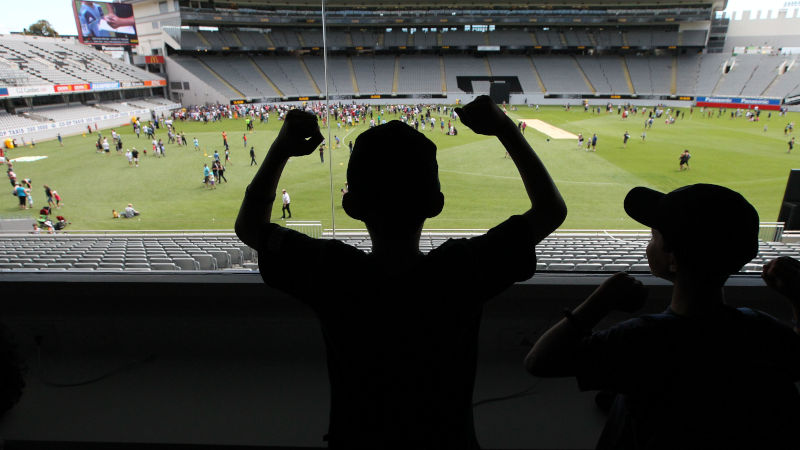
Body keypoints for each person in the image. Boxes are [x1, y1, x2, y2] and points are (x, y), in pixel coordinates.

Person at [235, 96, 566, 449]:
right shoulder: (462, 269)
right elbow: (550, 210)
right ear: (436, 204)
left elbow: (250, 226)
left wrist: (281, 149)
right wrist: (504, 128)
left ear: (350, 206)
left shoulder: (332, 271)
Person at [525, 183, 800, 450]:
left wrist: (601, 300)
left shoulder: (642, 340)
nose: (649, 242)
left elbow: (540, 361)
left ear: (672, 260)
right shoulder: (760, 330)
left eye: (653, 236)